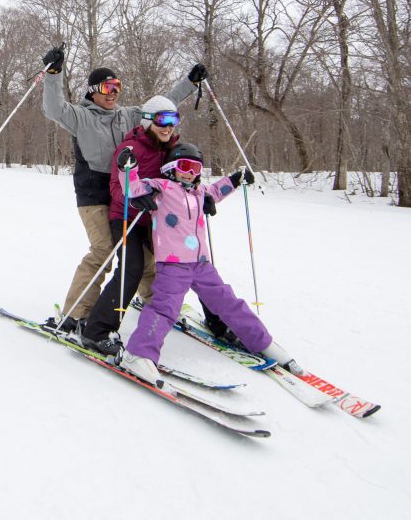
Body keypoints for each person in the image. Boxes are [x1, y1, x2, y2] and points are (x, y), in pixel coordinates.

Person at [39, 43, 207, 332]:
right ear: (93, 90)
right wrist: (54, 73)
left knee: (145, 253)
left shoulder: (128, 115)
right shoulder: (80, 116)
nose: (113, 92)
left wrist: (190, 83)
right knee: (103, 250)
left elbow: (163, 105)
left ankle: (157, 302)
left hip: (130, 194)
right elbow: (53, 108)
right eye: (107, 87)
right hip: (95, 195)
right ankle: (75, 313)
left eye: (117, 87)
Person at [112, 141, 301, 384]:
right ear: (171, 167)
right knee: (164, 309)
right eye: (185, 166)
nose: (190, 173)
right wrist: (127, 168)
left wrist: (236, 179)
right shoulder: (162, 187)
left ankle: (261, 341)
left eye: (196, 168)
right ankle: (138, 354)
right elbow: (134, 188)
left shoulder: (200, 192)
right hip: (173, 264)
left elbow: (216, 191)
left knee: (229, 303)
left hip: (202, 265)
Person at [76, 95, 181, 354]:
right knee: (130, 270)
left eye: (173, 120)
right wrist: (135, 199)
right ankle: (97, 332)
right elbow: (116, 187)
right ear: (147, 120)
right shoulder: (130, 149)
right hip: (127, 218)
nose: (168, 127)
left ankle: (214, 319)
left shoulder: (172, 150)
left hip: (156, 221)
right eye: (162, 120)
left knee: (186, 266)